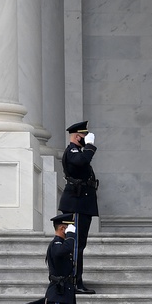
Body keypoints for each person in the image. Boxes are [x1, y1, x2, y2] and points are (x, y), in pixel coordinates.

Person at [57, 122, 98, 292]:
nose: (86, 139)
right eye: (84, 136)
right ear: (76, 136)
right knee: (75, 245)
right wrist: (89, 146)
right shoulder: (73, 151)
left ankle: (75, 280)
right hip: (76, 203)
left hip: (82, 202)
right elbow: (81, 162)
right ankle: (73, 282)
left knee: (79, 245)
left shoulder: (77, 152)